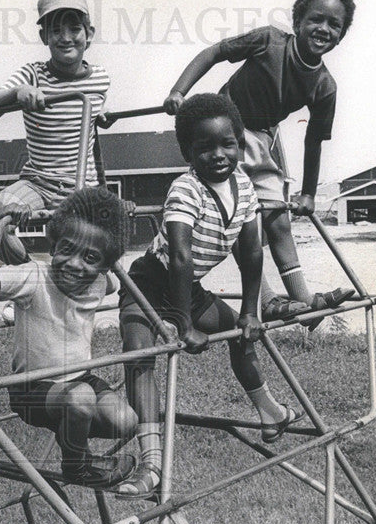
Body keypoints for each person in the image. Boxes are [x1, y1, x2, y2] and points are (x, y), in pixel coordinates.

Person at [117, 93, 303, 500]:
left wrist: (250, 313)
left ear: (240, 143)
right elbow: (181, 258)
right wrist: (184, 326)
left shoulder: (244, 187)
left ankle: (269, 411)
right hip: (149, 287)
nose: (218, 155)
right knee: (140, 357)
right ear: (187, 152)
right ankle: (151, 464)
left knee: (241, 334)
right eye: (204, 148)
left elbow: (252, 253)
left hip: (189, 291)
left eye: (227, 144)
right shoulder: (185, 189)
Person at [164, 0, 357, 325]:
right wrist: (180, 91)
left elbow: (314, 141)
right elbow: (215, 52)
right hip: (226, 135)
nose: (323, 29)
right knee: (242, 216)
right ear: (297, 21)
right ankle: (266, 300)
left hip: (263, 139)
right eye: (316, 19)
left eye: (334, 25)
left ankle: (303, 299)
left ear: (341, 36)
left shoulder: (325, 86)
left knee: (278, 218)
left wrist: (309, 193)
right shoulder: (269, 40)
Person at [0, 186, 137, 489]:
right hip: (32, 388)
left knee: (126, 421)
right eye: (66, 249)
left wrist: (119, 215)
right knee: (80, 400)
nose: (75, 264)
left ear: (105, 266)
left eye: (90, 257)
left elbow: (112, 281)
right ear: (52, 247)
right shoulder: (33, 277)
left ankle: (73, 434)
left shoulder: (101, 283)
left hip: (81, 380)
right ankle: (77, 467)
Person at [0, 0, 110, 265]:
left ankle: (88, 278)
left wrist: (103, 114)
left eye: (74, 28)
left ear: (89, 35)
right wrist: (18, 93)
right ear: (44, 36)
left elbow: (94, 109)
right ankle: (32, 274)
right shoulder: (32, 74)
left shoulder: (101, 78)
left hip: (82, 186)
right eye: (56, 30)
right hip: (38, 181)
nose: (66, 38)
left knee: (80, 258)